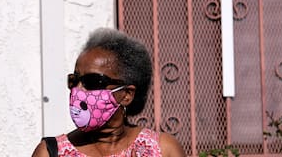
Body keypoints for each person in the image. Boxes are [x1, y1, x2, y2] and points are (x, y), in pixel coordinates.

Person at [32, 27, 185, 157]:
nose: (77, 90)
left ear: (126, 95)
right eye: (74, 81)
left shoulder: (164, 149)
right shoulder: (50, 152)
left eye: (92, 81)